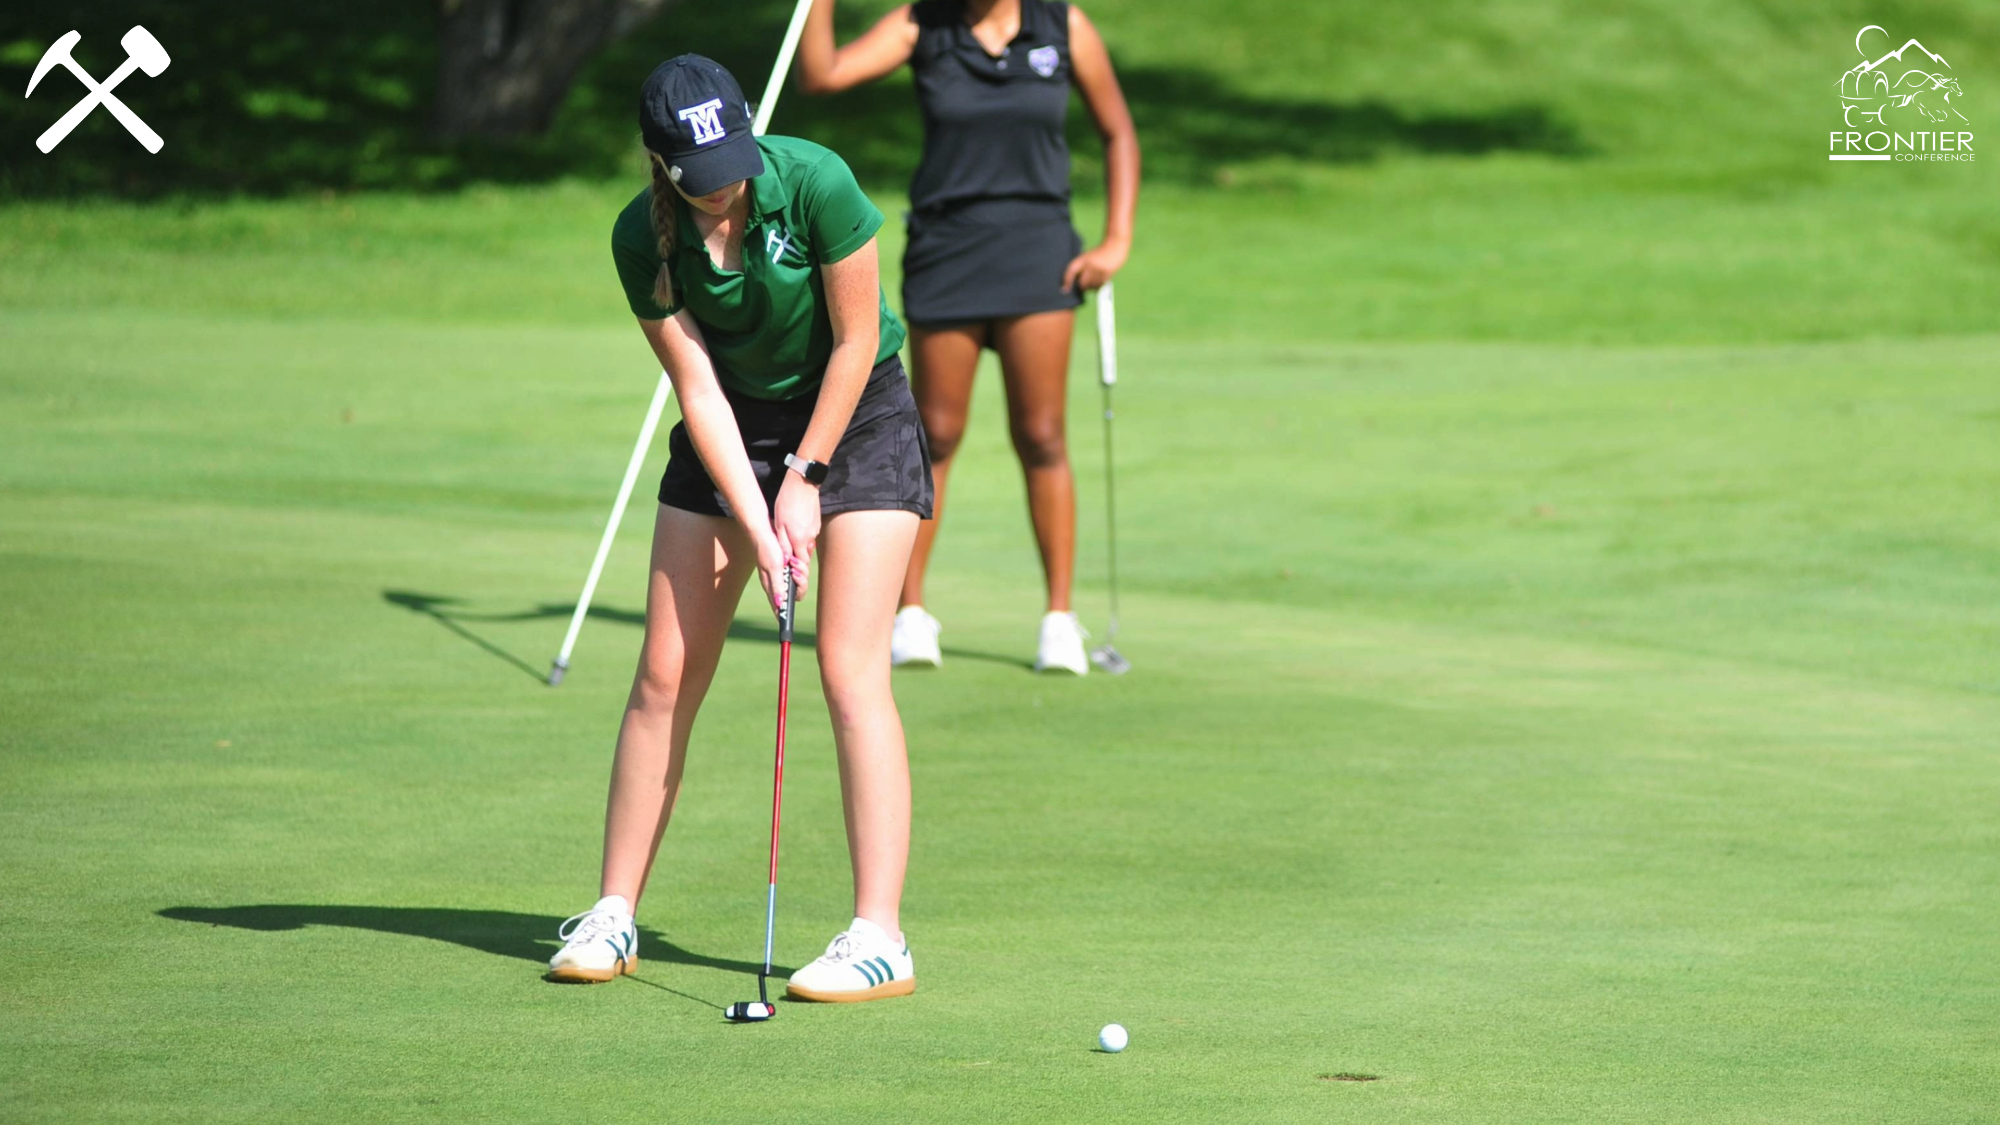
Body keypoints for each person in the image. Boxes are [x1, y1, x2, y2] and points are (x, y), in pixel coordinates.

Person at [546, 55, 929, 1004]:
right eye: (701, 174)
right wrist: (761, 524)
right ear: (661, 162)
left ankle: (881, 935)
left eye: (732, 163)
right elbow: (699, 388)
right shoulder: (643, 237)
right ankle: (612, 912)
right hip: (735, 425)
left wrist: (804, 481)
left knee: (848, 666)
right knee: (666, 671)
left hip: (861, 412)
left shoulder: (815, 182)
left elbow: (853, 344)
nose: (724, 187)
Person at [797, 0, 1140, 674]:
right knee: (938, 434)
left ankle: (1058, 620)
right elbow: (824, 75)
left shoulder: (1061, 24)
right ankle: (910, 614)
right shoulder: (925, 22)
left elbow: (1118, 131)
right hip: (947, 252)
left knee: (1041, 434)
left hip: (1038, 251)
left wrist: (1118, 238)